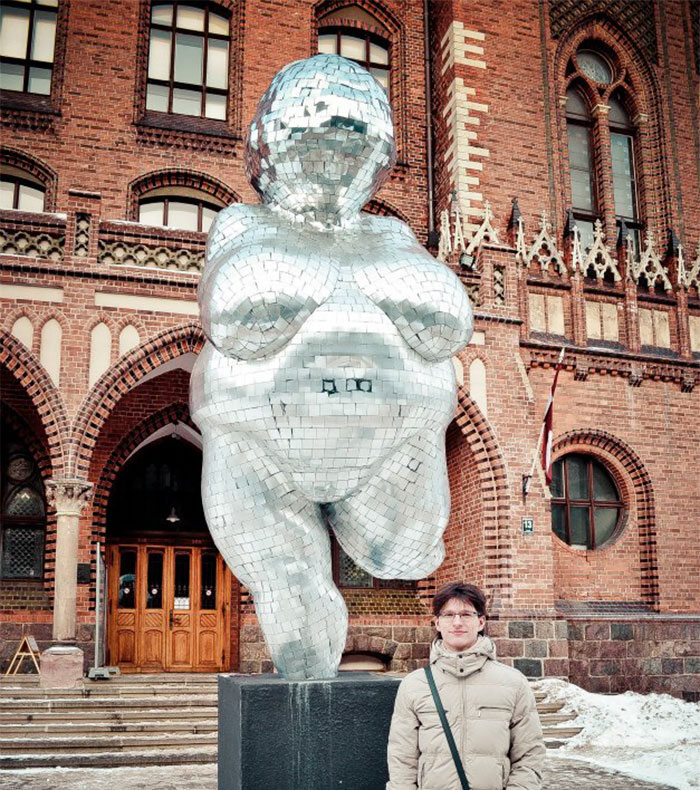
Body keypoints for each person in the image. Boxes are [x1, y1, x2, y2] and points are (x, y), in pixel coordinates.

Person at [386, 582, 545, 790]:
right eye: (448, 615)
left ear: (480, 622)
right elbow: (402, 758)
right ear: (437, 623)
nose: (457, 622)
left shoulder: (513, 683)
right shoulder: (415, 685)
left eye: (466, 614)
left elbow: (530, 755)